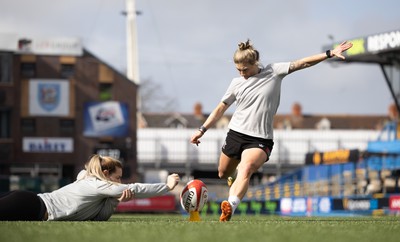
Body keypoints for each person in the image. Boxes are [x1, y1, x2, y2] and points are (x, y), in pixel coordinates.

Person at [190, 39, 353, 221]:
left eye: (246, 69)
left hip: (260, 138)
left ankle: (231, 206)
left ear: (255, 63)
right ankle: (232, 178)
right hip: (235, 134)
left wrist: (330, 53)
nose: (242, 73)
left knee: (246, 168)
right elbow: (220, 109)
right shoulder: (236, 83)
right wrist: (202, 130)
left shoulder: (274, 71)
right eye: (239, 70)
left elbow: (302, 63)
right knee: (223, 173)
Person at [0, 154, 180, 221]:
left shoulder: (99, 189)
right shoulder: (97, 184)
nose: (119, 183)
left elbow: (100, 218)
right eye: (117, 178)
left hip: (31, 206)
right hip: (30, 204)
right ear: (105, 173)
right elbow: (136, 188)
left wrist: (115, 201)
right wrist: (167, 186)